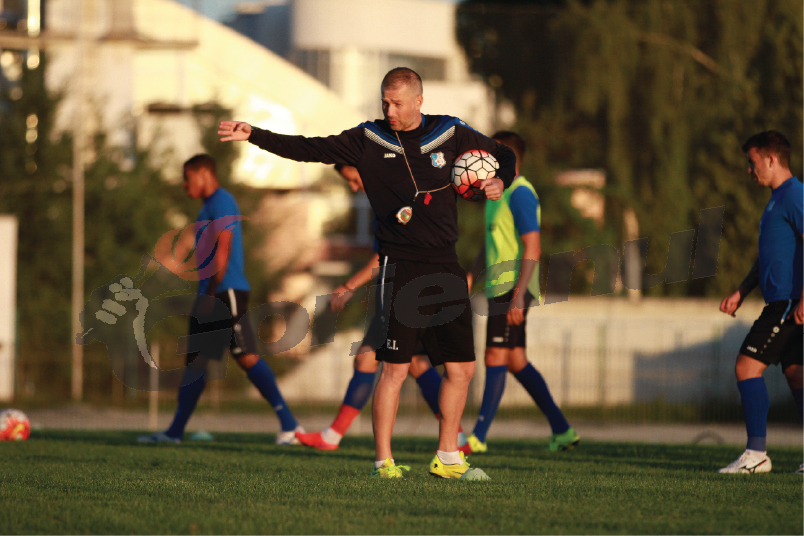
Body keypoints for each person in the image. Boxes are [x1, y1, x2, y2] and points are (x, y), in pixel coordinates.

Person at [220, 67, 516, 479]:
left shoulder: (451, 132)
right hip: (401, 266)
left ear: (418, 101)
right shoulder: (367, 139)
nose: (389, 110)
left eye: (396, 103)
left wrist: (501, 179)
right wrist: (254, 133)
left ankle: (448, 455)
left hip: (447, 264)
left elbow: (504, 154)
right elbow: (307, 148)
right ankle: (384, 461)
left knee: (462, 368)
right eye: (384, 102)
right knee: (394, 368)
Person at [295, 165, 467, 451]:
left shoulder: (393, 197)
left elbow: (387, 253)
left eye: (352, 179)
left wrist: (350, 285)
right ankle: (456, 438)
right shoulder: (384, 198)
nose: (352, 187)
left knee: (387, 361)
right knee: (400, 362)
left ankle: (340, 439)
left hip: (407, 290)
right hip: (402, 290)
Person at [138, 154, 303, 445]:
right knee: (197, 365)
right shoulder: (207, 208)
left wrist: (212, 295)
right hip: (211, 292)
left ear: (203, 174)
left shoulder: (222, 200)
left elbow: (223, 250)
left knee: (245, 355)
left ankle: (291, 426)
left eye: (186, 178)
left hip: (225, 292)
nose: (184, 185)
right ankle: (174, 433)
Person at [462, 131, 578, 455]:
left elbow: (533, 246)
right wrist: (472, 273)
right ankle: (562, 430)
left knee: (494, 356)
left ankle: (478, 437)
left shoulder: (520, 193)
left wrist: (518, 294)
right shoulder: (496, 194)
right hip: (500, 286)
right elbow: (492, 241)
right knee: (515, 360)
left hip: (513, 286)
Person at [718, 131, 803, 475]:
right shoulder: (775, 200)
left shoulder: (795, 194)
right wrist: (742, 290)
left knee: (746, 367)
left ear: (771, 159)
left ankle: (757, 453)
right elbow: (769, 257)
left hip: (787, 304)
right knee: (798, 376)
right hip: (784, 302)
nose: (748, 170)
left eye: (751, 163)